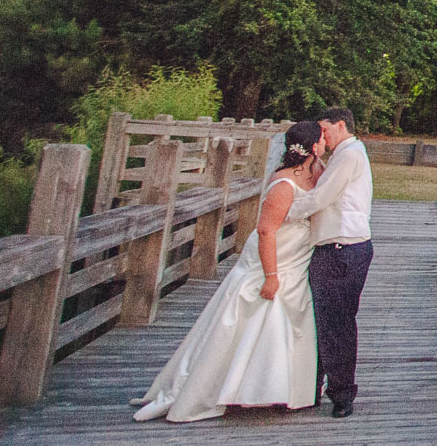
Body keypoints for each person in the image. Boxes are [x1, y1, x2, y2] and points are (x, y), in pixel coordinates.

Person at [133, 121, 328, 423]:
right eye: (322, 140)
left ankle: (268, 388)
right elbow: (265, 231)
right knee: (251, 316)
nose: (326, 143)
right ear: (312, 147)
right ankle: (211, 387)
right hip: (275, 259)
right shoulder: (284, 184)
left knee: (287, 321)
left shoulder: (315, 174)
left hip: (297, 260)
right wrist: (271, 275)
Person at [292, 107, 375, 418]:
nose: (321, 137)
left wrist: (280, 213)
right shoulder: (347, 154)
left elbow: (320, 198)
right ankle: (316, 386)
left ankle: (341, 393)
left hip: (342, 249)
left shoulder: (349, 155)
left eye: (325, 130)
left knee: (336, 326)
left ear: (341, 125)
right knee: (326, 324)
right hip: (344, 247)